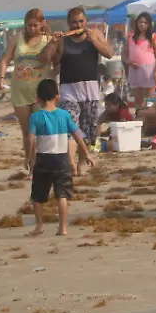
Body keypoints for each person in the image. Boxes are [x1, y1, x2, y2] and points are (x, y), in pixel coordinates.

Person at [40, 7, 114, 176]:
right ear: (69, 23)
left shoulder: (94, 35)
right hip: (68, 91)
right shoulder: (62, 40)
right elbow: (44, 58)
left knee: (87, 131)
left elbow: (109, 53)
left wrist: (93, 41)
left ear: (85, 21)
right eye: (74, 22)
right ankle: (70, 163)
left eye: (81, 21)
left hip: (91, 91)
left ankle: (81, 164)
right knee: (70, 128)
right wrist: (52, 42)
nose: (78, 25)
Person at [28, 79, 94, 236]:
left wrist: (29, 159)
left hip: (43, 159)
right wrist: (86, 154)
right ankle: (62, 227)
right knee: (62, 195)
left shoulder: (35, 117)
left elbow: (30, 140)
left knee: (37, 196)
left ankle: (39, 226)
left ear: (38, 98)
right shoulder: (64, 115)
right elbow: (78, 136)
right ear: (57, 96)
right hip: (62, 160)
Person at [0, 9, 52, 174]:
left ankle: (38, 164)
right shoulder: (17, 39)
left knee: (40, 129)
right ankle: (30, 160)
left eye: (35, 25)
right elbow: (5, 59)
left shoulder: (48, 40)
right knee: (27, 131)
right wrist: (1, 78)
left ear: (42, 24)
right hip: (20, 90)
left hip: (40, 91)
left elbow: (56, 61)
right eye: (29, 25)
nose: (32, 29)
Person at [122, 12, 156, 112]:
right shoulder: (131, 36)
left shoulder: (153, 37)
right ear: (137, 23)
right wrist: (129, 62)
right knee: (138, 100)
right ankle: (139, 118)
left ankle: (150, 120)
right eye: (140, 22)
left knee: (150, 98)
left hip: (149, 70)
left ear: (149, 24)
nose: (142, 24)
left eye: (145, 22)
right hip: (134, 69)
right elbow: (124, 54)